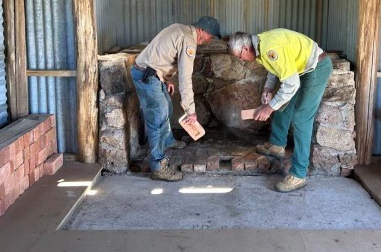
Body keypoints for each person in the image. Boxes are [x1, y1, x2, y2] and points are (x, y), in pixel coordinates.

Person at [227, 29, 332, 192]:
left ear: (245, 48)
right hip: (301, 70)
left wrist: (269, 108)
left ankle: (299, 174)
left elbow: (291, 84)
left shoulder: (270, 48)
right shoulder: (260, 46)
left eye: (240, 57)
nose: (242, 60)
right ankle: (277, 144)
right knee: (282, 104)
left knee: (301, 118)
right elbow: (274, 67)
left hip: (316, 68)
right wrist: (268, 88)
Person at [131, 16, 221, 181]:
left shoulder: (180, 28)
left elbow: (160, 52)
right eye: (210, 36)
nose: (209, 40)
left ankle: (167, 140)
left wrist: (165, 78)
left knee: (167, 107)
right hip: (147, 76)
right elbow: (186, 79)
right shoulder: (188, 41)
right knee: (157, 119)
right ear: (202, 30)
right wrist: (190, 111)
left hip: (152, 73)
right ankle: (158, 166)